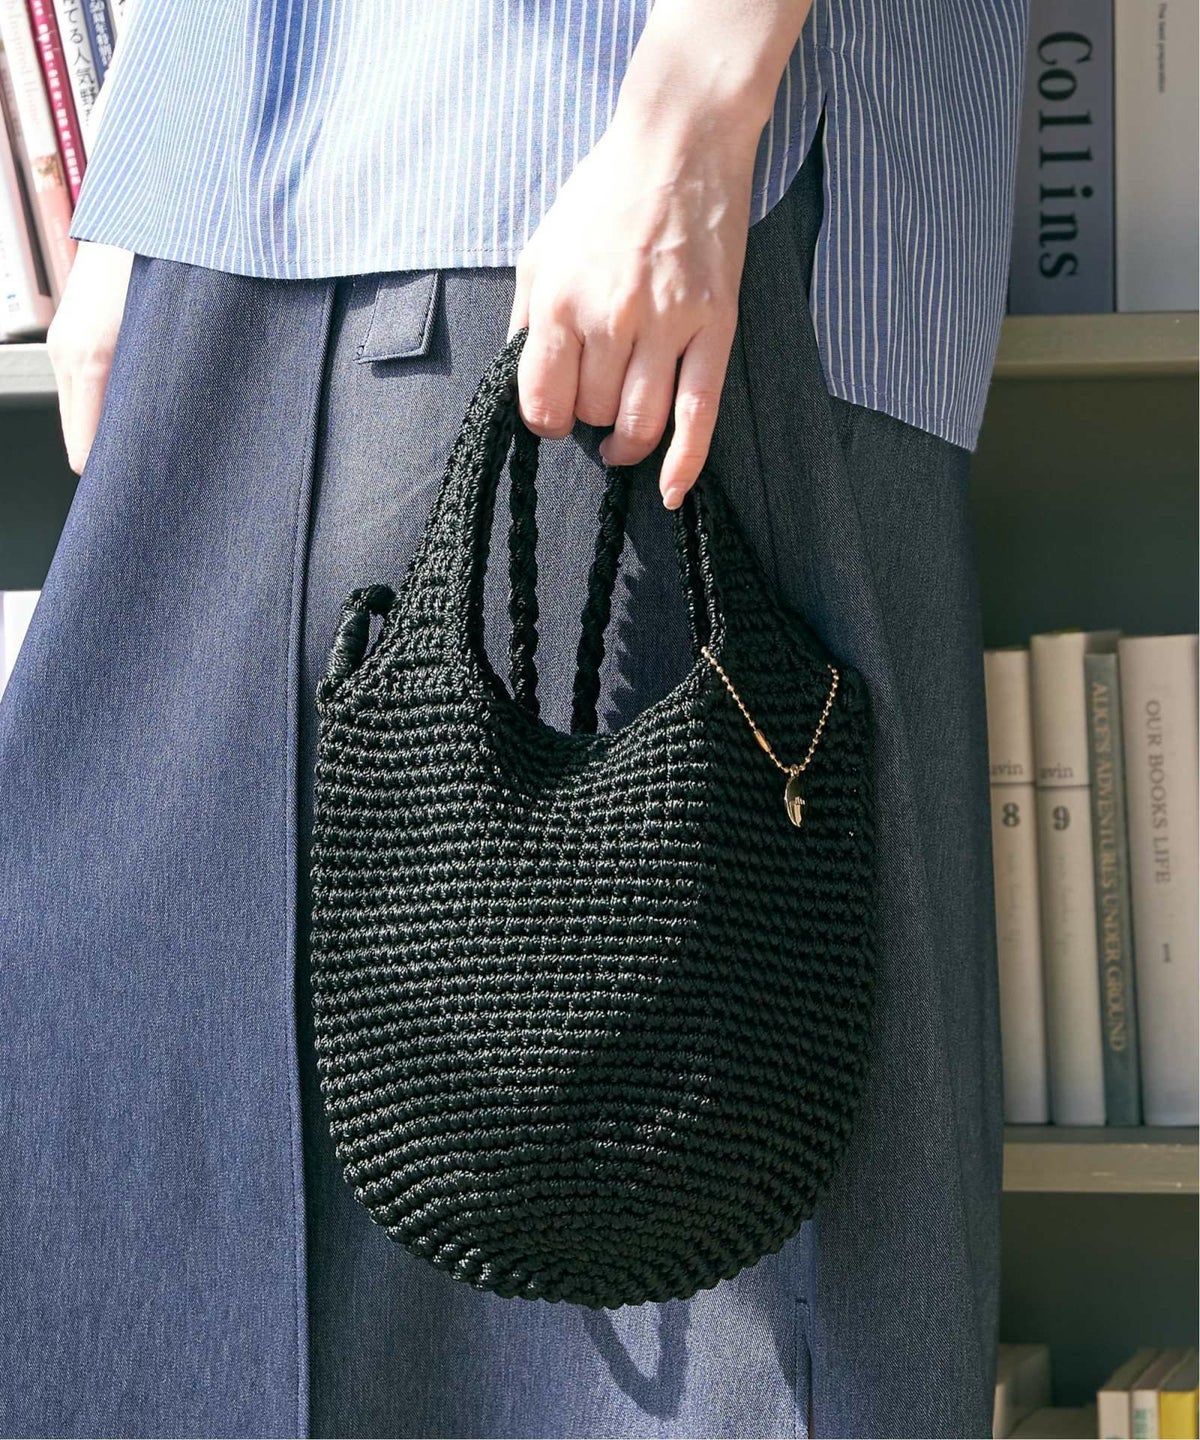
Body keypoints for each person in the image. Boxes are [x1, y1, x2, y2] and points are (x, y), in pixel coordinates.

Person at [0, 2, 1027, 1436]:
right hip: (227, 201)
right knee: (133, 1208)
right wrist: (143, 162)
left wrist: (690, 120)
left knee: (651, 1269)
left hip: (596, 192)